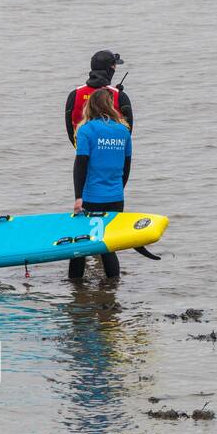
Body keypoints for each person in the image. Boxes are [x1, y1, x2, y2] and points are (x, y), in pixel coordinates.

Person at [70, 88, 132, 280]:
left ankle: (76, 289)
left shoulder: (86, 130)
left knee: (79, 247)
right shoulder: (123, 131)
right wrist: (118, 190)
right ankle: (112, 286)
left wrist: (78, 197)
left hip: (91, 197)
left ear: (90, 106)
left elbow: (81, 164)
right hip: (116, 198)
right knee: (107, 246)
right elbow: (126, 166)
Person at [66, 50, 133, 146]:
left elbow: (70, 130)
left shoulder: (74, 95)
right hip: (113, 154)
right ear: (110, 70)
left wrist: (82, 150)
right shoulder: (120, 97)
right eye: (114, 66)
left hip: (83, 153)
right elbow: (127, 133)